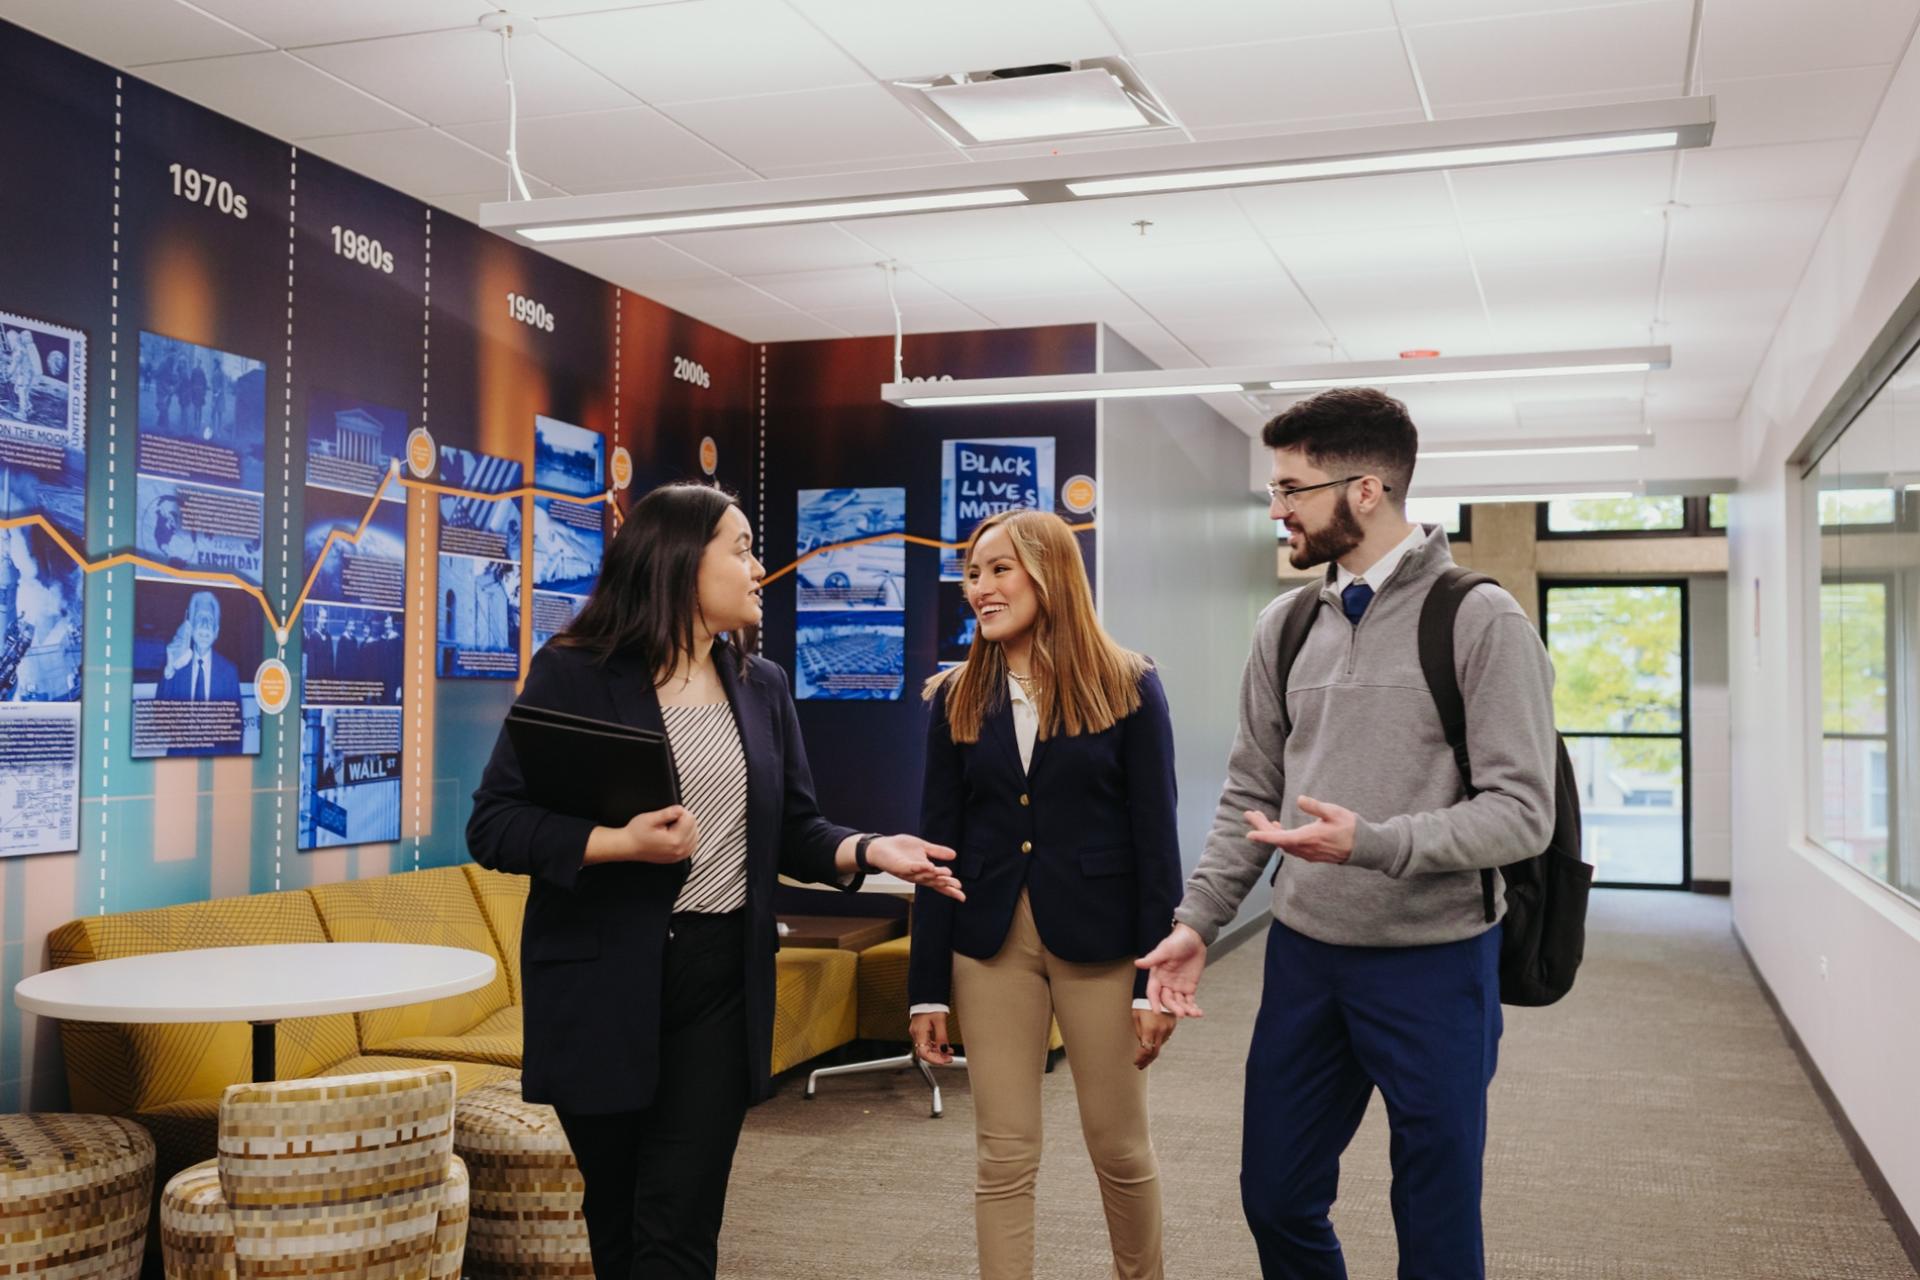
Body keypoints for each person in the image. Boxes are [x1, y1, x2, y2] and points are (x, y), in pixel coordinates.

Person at [468, 481, 964, 1280]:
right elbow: (494, 824)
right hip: (600, 980)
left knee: (680, 1223)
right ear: (677, 563)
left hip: (719, 975)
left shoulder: (760, 686)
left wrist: (873, 850)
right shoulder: (573, 674)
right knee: (619, 1220)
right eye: (740, 549)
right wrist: (618, 842)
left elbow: (797, 835)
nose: (758, 568)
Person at [1136, 387, 1558, 1280]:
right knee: (1276, 1196)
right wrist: (1196, 922)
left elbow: (1524, 811)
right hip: (1307, 957)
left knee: (1435, 1212)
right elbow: (1251, 789)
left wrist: (1377, 843)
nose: (1277, 510)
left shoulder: (1480, 620)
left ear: (1365, 490)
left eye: (1291, 489)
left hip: (1436, 961)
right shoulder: (1285, 626)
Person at [909, 508, 1182, 1280]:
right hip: (989, 945)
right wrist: (926, 988)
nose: (981, 589)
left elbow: (1157, 847)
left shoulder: (1129, 686)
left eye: (1000, 570)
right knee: (1002, 1153)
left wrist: (1154, 982)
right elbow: (936, 850)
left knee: (1119, 1148)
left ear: (1049, 574)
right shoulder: (957, 697)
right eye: (973, 573)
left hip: (1102, 944)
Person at [158, 590, 240, 702]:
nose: (205, 625)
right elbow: (160, 713)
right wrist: (170, 669)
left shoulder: (229, 673)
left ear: (216, 631)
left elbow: (235, 718)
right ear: (190, 628)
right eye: (200, 617)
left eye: (210, 619)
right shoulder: (176, 668)